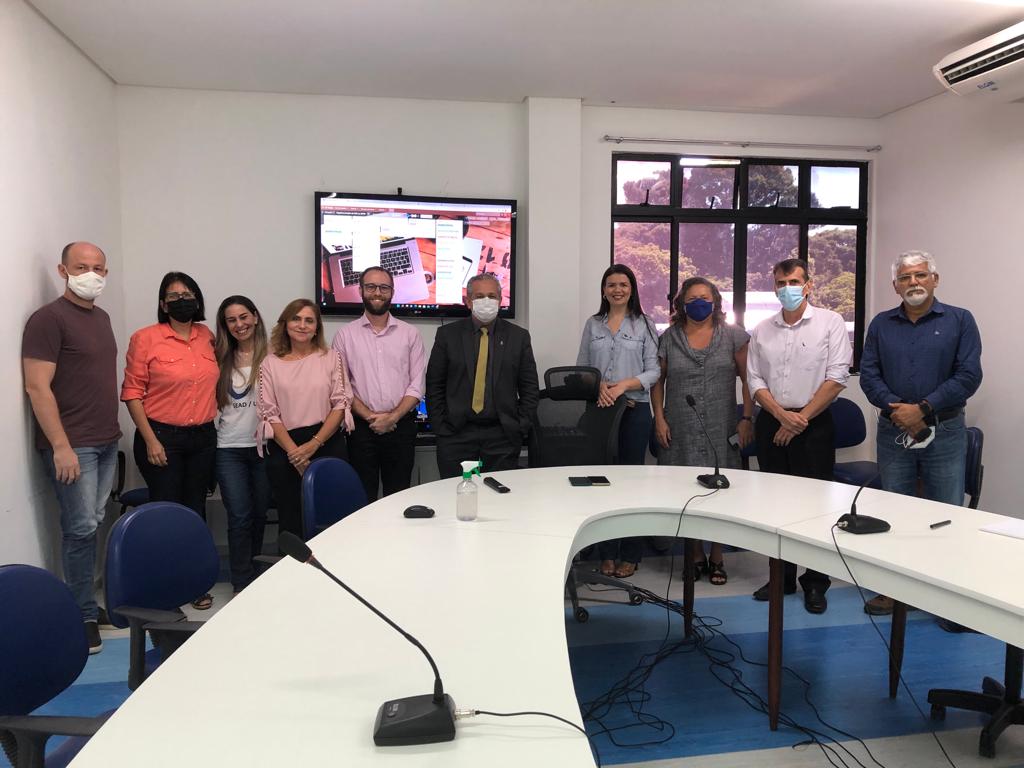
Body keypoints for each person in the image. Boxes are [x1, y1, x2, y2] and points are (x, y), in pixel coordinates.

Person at [859, 250, 982, 616]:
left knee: (944, 513)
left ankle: (945, 594)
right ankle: (894, 589)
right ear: (895, 285)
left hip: (944, 430)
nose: (913, 282)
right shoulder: (881, 324)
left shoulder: (960, 320)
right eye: (905, 277)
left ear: (934, 279)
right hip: (893, 430)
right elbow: (869, 375)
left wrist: (923, 409)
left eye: (920, 275)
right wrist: (900, 411)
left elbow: (969, 375)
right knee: (894, 511)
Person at [22, 242, 120, 653]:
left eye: (98, 268)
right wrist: (60, 446)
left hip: (106, 439)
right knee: (79, 529)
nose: (90, 274)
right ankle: (82, 615)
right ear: (63, 271)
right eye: (81, 267)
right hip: (73, 444)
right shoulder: (48, 319)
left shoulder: (102, 318)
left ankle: (88, 603)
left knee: (93, 523)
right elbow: (36, 386)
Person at [747, 258, 851, 614]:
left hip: (814, 424)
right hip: (772, 422)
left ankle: (816, 582)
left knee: (815, 508)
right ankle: (781, 577)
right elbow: (754, 379)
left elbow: (837, 376)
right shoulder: (762, 329)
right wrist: (781, 416)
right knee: (776, 505)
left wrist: (800, 419)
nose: (787, 288)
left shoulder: (830, 322)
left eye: (793, 281)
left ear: (808, 285)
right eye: (781, 283)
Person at [122, 271, 219, 609]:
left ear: (198, 300)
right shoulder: (145, 338)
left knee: (195, 511)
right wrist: (151, 440)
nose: (182, 300)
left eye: (188, 294)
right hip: (161, 437)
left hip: (203, 438)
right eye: (174, 296)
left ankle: (195, 583)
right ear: (163, 304)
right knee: (166, 513)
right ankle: (166, 588)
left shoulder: (207, 337)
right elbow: (132, 393)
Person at [652, 277, 754, 586]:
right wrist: (659, 418)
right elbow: (658, 381)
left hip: (722, 425)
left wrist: (747, 418)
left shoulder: (734, 336)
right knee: (686, 492)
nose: (699, 303)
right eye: (692, 299)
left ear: (716, 302)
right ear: (681, 304)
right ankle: (694, 555)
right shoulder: (669, 338)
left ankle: (717, 556)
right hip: (680, 426)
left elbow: (749, 379)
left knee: (721, 491)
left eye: (705, 298)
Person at [576, 264, 659, 578]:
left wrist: (623, 386)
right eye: (611, 285)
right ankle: (606, 552)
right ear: (603, 290)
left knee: (631, 484)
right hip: (599, 411)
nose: (617, 290)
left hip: (635, 411)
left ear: (632, 289)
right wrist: (597, 385)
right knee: (602, 483)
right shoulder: (593, 324)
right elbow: (582, 367)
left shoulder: (645, 325)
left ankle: (631, 553)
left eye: (623, 284)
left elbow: (654, 371)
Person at [426, 273, 539, 479]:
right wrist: (440, 426)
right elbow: (434, 385)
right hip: (456, 434)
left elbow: (529, 388)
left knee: (499, 494)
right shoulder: (447, 335)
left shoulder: (518, 337)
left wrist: (520, 426)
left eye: (492, 296)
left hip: (502, 435)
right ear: (468, 301)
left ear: (500, 300)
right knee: (455, 492)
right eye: (479, 296)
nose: (486, 301)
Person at [258, 299, 353, 543]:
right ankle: (292, 567)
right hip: (286, 448)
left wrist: (314, 444)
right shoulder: (269, 363)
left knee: (331, 516)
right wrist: (295, 454)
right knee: (291, 518)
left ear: (317, 327)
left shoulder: (331, 358)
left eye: (309, 320)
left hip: (326, 442)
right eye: (296, 319)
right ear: (285, 324)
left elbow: (340, 404)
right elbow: (269, 413)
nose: (302, 325)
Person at [332, 267, 426, 501]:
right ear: (360, 290)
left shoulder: (410, 334)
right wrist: (371, 418)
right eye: (371, 287)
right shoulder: (344, 335)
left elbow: (417, 385)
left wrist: (392, 417)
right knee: (363, 498)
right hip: (362, 430)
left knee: (399, 496)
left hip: (401, 427)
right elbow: (343, 386)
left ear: (392, 292)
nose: (377, 292)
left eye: (384, 287)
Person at [214, 296, 270, 593]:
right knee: (239, 516)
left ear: (255, 317)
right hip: (229, 448)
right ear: (225, 326)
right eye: (232, 320)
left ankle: (256, 577)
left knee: (259, 514)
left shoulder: (273, 355)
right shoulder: (217, 358)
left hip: (264, 447)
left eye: (244, 317)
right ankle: (240, 582)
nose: (239, 324)